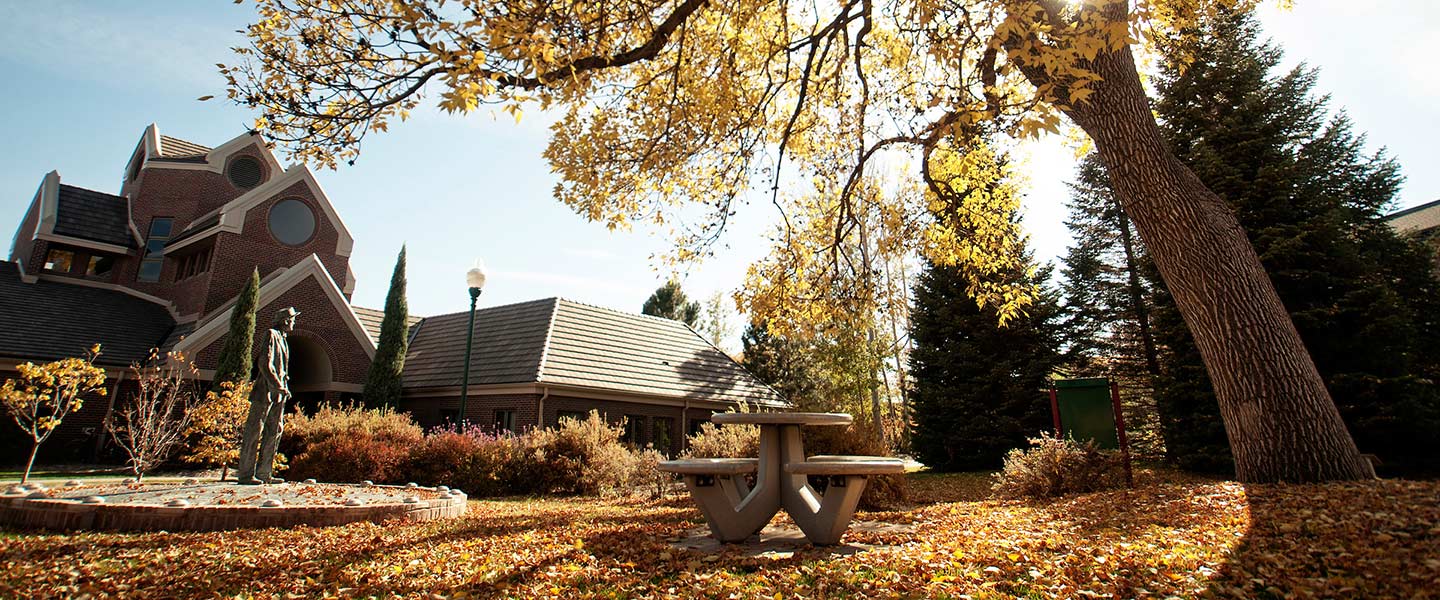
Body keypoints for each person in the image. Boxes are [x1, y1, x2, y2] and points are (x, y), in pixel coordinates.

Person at [234, 307, 298, 485]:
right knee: (255, 431)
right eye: (292, 319)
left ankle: (264, 472)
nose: (294, 322)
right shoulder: (271, 335)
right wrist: (276, 384)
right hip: (265, 392)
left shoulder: (284, 340)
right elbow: (265, 363)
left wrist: (283, 386)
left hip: (279, 394)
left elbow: (281, 368)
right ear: (285, 320)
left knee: (275, 431)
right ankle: (246, 474)